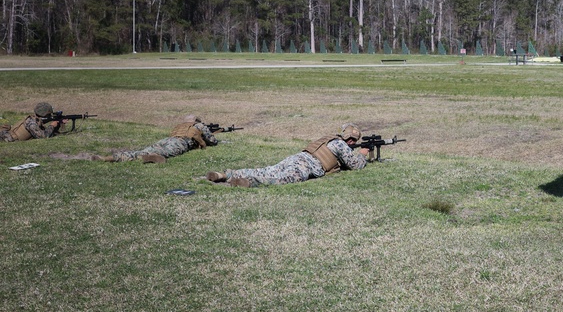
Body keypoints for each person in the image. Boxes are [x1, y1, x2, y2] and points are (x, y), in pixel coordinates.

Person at [206, 123, 369, 187]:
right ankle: (248, 183)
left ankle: (225, 174)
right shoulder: (342, 145)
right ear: (352, 140)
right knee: (283, 179)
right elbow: (356, 165)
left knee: (267, 170)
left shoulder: (329, 139)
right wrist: (363, 154)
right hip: (306, 165)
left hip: (296, 157)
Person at [92, 115, 219, 163]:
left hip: (166, 140)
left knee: (143, 150)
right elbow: (212, 141)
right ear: (196, 121)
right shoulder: (199, 125)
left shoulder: (180, 126)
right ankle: (152, 157)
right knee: (157, 153)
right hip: (180, 143)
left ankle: (109, 157)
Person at [0, 102, 65, 142]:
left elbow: (46, 132)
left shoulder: (35, 119)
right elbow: (44, 137)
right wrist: (52, 126)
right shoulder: (32, 123)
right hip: (7, 139)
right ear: (45, 114)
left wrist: (58, 124)